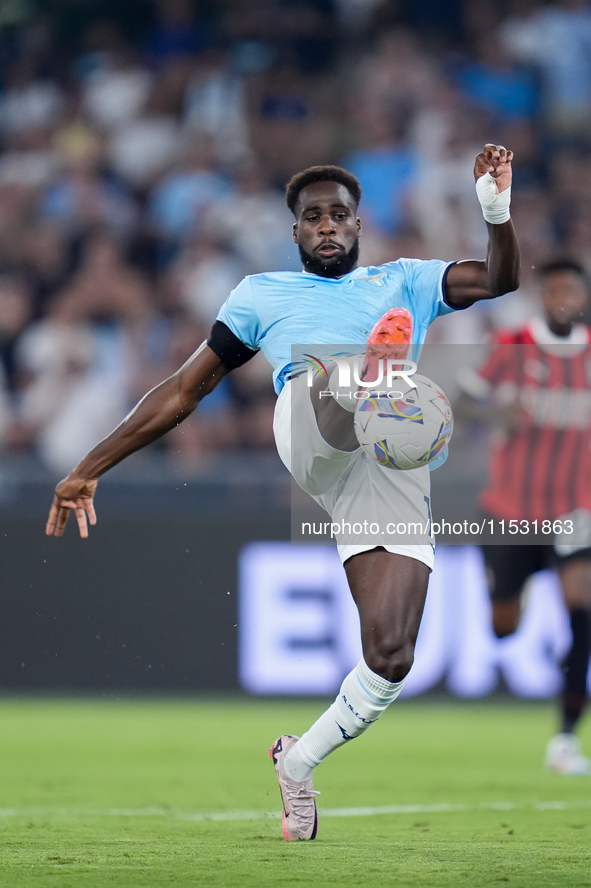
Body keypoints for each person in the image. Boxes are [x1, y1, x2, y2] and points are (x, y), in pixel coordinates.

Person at [46, 144, 520, 840]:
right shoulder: (260, 294)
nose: (326, 226)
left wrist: (494, 209)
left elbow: (503, 279)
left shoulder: (406, 280)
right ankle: (374, 376)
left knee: (391, 657)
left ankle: (297, 762)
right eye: (312, 218)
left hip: (384, 464)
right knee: (342, 381)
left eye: (339, 216)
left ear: (358, 227)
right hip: (311, 424)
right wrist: (92, 464)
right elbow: (185, 390)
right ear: (294, 232)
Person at [459, 259, 591, 776]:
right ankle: (518, 587)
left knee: (582, 613)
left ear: (581, 297)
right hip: (508, 510)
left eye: (572, 290)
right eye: (555, 288)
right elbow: (461, 404)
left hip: (574, 511)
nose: (564, 297)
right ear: (542, 294)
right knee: (503, 627)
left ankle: (563, 740)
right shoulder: (511, 346)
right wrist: (496, 415)